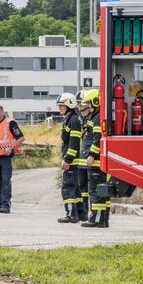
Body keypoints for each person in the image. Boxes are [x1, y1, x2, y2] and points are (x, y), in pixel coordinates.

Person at [0, 105, 25, 214]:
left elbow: (21, 138)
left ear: (2, 112)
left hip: (5, 157)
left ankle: (6, 205)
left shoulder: (10, 123)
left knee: (5, 181)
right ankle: (0, 204)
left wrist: (12, 148)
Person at [79, 89, 109, 228]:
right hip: (96, 161)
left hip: (95, 161)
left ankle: (96, 219)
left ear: (94, 102)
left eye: (86, 103)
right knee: (100, 191)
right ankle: (103, 220)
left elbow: (97, 139)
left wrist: (91, 155)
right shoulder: (94, 117)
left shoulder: (96, 118)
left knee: (95, 191)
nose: (84, 105)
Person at [56, 92, 84, 223]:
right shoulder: (72, 119)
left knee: (68, 187)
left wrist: (67, 160)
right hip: (74, 159)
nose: (59, 108)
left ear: (68, 105)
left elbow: (74, 143)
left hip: (72, 160)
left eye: (61, 105)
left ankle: (71, 215)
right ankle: (81, 213)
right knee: (76, 188)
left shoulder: (73, 120)